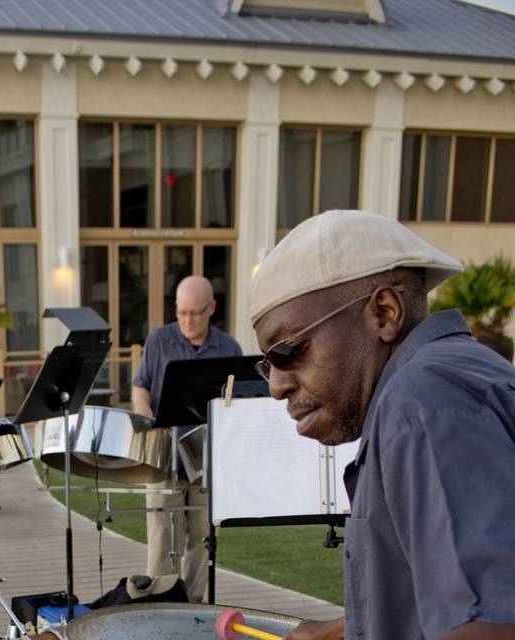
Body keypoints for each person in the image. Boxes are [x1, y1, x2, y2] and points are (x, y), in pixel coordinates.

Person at [250, 210, 515, 640]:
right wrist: (342, 630)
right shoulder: (444, 381)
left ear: (384, 312)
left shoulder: (422, 403)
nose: (276, 387)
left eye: (289, 349)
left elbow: (493, 624)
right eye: (268, 364)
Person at [131, 275, 242, 603]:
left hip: (207, 459)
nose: (187, 320)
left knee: (202, 537)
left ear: (212, 309)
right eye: (181, 313)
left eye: (195, 313)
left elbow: (236, 405)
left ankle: (192, 607)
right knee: (162, 535)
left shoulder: (228, 348)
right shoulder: (159, 340)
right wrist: (149, 418)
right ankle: (160, 603)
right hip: (164, 454)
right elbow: (141, 386)